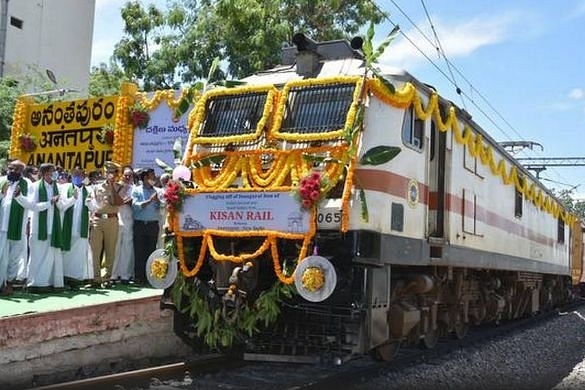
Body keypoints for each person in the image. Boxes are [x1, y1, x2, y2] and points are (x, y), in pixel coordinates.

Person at [16, 163, 71, 292]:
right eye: (53, 171)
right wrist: (49, 202)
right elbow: (32, 206)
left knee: (52, 257)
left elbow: (61, 206)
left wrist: (73, 199)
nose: (55, 174)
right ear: (45, 173)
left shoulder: (57, 187)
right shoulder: (35, 187)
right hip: (39, 228)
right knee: (38, 256)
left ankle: (52, 283)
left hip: (54, 228)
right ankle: (36, 284)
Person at [86, 162, 124, 288]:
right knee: (95, 250)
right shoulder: (97, 187)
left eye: (113, 172)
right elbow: (90, 201)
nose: (110, 174)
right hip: (97, 220)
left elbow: (118, 202)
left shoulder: (119, 187)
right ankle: (96, 279)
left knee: (110, 250)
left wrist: (112, 186)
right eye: (108, 172)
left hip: (111, 220)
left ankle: (107, 278)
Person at [0, 160, 32, 295]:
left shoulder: (27, 184)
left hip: (17, 227)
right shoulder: (2, 181)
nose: (13, 171)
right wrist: (2, 193)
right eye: (11, 168)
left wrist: (19, 196)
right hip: (2, 226)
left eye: (17, 169)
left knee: (13, 258)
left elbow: (31, 204)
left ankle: (9, 283)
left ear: (22, 172)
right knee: (1, 256)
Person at [60, 167, 93, 287]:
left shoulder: (89, 190)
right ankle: (63, 278)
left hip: (80, 229)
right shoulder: (64, 188)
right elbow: (62, 205)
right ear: (71, 175)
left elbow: (94, 208)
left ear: (84, 176)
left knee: (78, 256)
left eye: (79, 175)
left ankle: (75, 280)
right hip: (67, 227)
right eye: (75, 174)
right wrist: (72, 198)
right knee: (65, 253)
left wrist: (91, 203)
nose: (77, 177)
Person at [131, 168, 161, 285]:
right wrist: (149, 200)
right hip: (140, 225)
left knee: (151, 251)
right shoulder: (137, 190)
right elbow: (136, 206)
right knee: (139, 252)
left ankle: (150, 277)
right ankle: (139, 277)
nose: (154, 178)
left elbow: (161, 207)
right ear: (145, 178)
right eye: (151, 176)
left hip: (153, 225)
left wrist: (158, 202)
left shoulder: (157, 191)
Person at [111, 165, 135, 284]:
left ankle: (125, 274)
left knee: (127, 246)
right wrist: (123, 199)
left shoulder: (134, 189)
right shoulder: (116, 186)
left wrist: (126, 201)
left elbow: (133, 202)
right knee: (116, 246)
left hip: (129, 218)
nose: (127, 177)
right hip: (117, 217)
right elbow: (114, 201)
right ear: (122, 175)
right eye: (126, 175)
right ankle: (113, 274)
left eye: (130, 176)